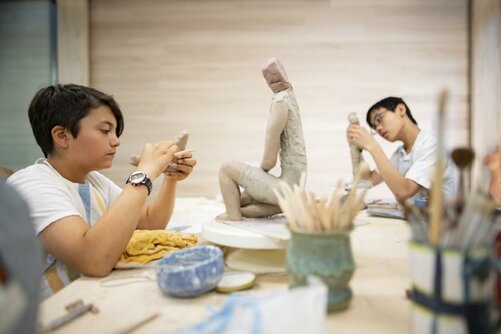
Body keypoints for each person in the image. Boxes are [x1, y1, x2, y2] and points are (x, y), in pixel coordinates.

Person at [7, 84, 196, 299]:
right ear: (62, 136)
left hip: (84, 297)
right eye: (105, 131)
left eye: (115, 132)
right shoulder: (31, 184)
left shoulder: (94, 181)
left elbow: (151, 222)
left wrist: (170, 177)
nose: (116, 141)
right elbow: (92, 259)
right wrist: (144, 174)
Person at [218, 57, 307, 221]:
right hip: (294, 191)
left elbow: (269, 160)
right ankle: (237, 209)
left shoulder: (280, 101)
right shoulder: (291, 98)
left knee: (226, 168)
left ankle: (233, 215)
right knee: (243, 199)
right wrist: (256, 183)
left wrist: (259, 174)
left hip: (284, 189)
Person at [346, 97, 457, 203]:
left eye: (379, 119)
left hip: (442, 221)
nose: (378, 128)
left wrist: (373, 146)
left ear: (400, 109)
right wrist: (354, 148)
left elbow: (403, 192)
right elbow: (369, 179)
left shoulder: (432, 145)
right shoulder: (401, 153)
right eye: (374, 127)